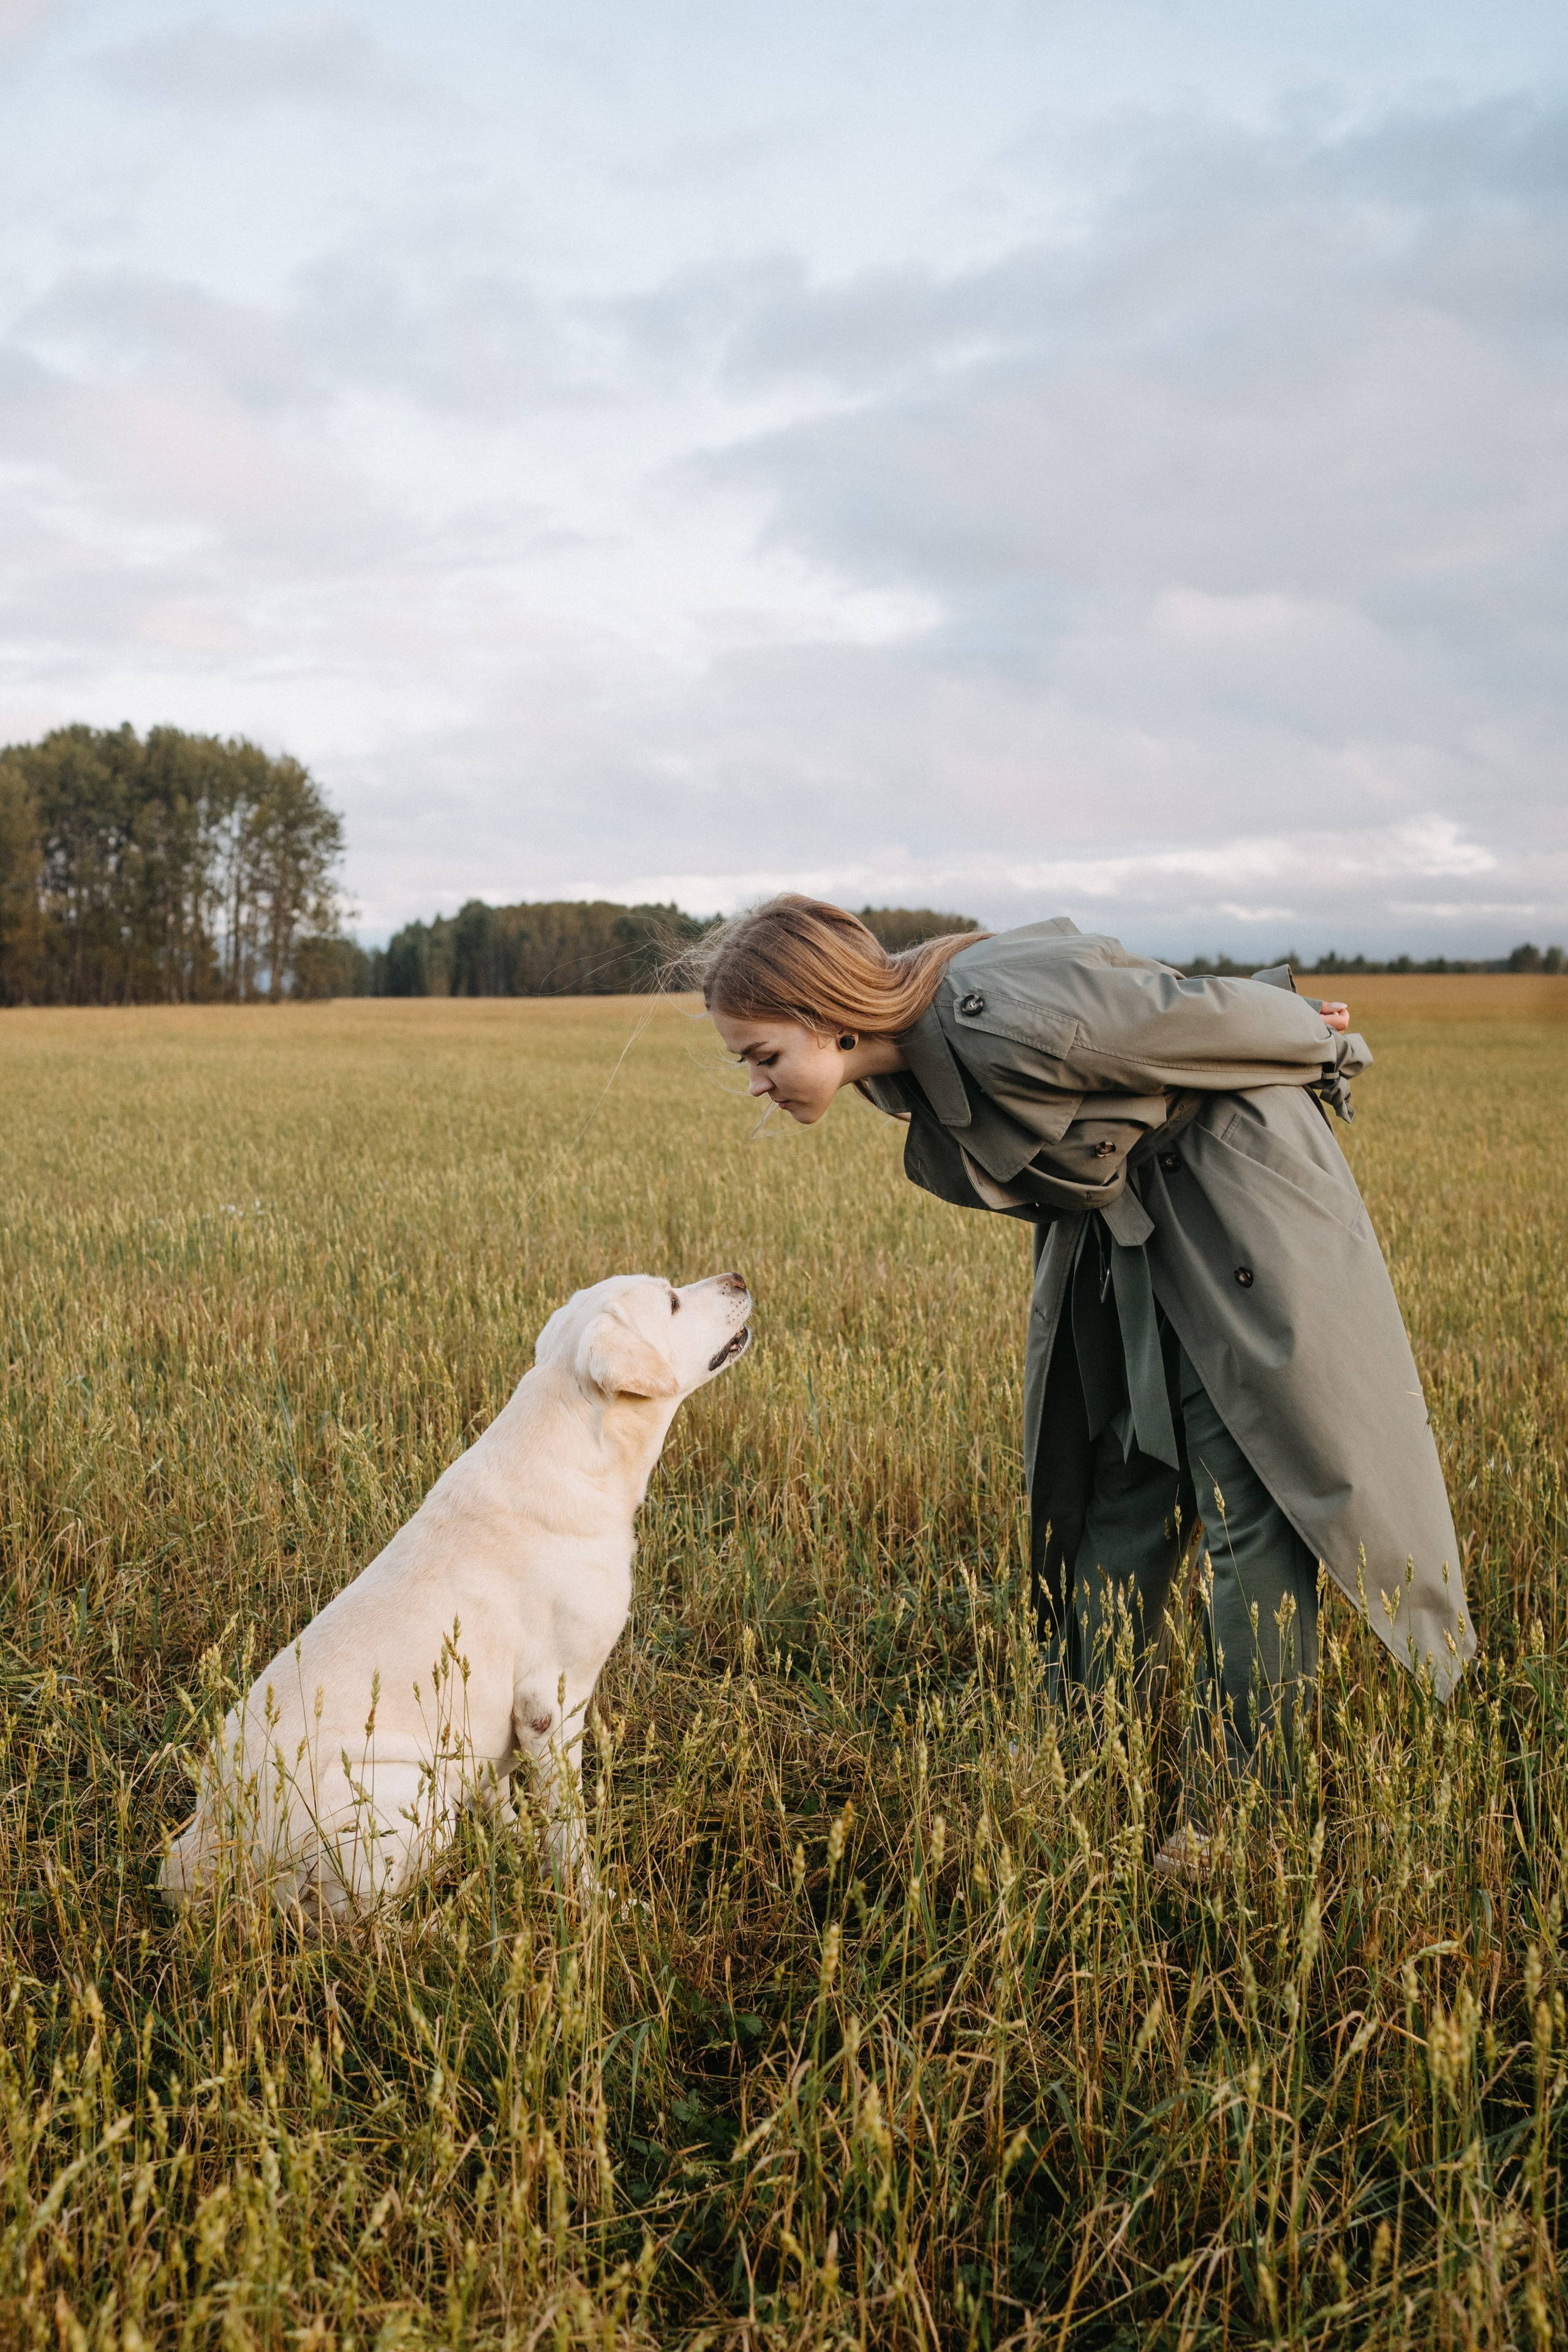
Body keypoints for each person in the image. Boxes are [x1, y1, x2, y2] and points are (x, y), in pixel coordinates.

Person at [695, 897, 1473, 1875]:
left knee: (1253, 1511)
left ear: (830, 1014)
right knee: (1122, 1474)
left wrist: (1305, 1027)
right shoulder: (891, 1059)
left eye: (764, 1055)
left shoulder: (997, 1017)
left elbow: (1174, 1015)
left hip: (1233, 1208)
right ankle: (1074, 1741)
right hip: (1135, 1224)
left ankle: (1238, 1814)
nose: (758, 1084)